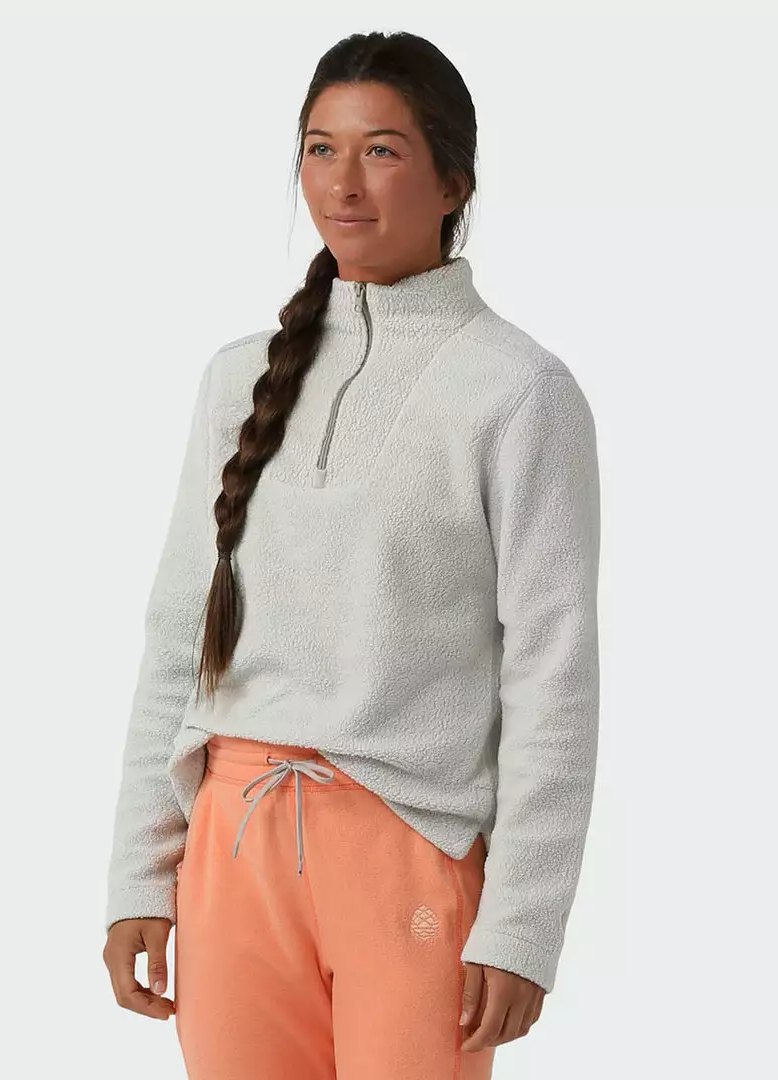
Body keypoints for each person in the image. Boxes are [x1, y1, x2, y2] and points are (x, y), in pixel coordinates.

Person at [102, 29, 600, 1080]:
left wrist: (523, 921)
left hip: (409, 851)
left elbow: (551, 675)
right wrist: (140, 877)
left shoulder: (518, 392)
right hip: (232, 846)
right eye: (319, 149)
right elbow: (176, 637)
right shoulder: (237, 378)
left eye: (380, 151)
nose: (342, 182)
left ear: (453, 180)